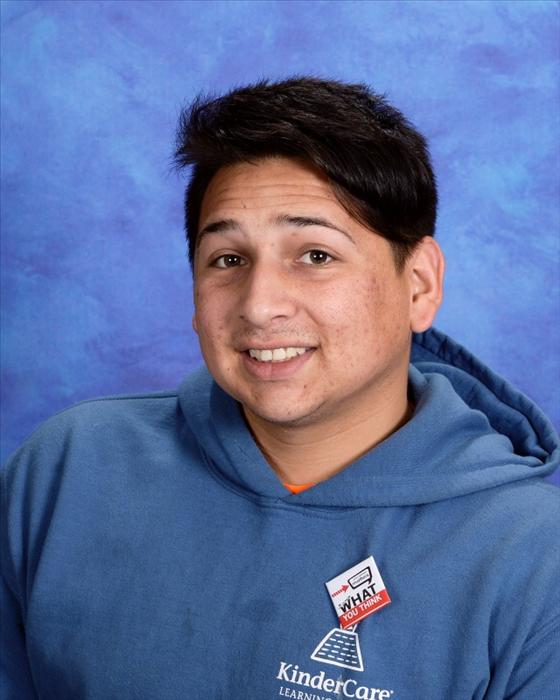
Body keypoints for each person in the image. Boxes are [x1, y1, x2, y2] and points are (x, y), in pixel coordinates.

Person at [1, 77, 558, 700]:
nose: (259, 305)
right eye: (228, 259)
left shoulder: (533, 559)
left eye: (315, 255)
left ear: (420, 284)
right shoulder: (67, 471)